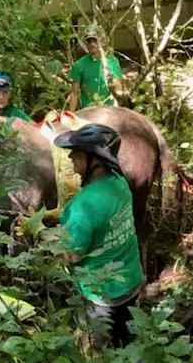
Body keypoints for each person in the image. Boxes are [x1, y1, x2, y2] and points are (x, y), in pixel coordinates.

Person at [52, 124, 143, 348]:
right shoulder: (119, 182)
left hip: (100, 296)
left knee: (92, 355)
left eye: (78, 153)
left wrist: (38, 232)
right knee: (129, 347)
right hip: (130, 283)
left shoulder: (83, 205)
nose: (71, 156)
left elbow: (70, 255)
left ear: (97, 160)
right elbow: (102, 219)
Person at [66, 28, 125, 110]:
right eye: (89, 41)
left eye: (95, 40)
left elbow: (119, 88)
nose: (91, 44)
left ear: (102, 42)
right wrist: (71, 115)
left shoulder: (112, 61)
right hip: (89, 110)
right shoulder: (79, 65)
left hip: (110, 109)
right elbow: (74, 93)